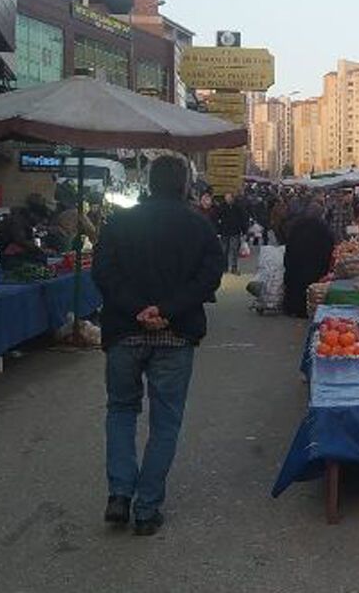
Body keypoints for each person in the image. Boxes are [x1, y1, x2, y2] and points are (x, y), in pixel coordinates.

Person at [91, 156, 225, 536]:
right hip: (175, 334)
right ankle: (146, 509)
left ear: (149, 182)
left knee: (120, 411)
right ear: (185, 185)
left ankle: (119, 494)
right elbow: (209, 277)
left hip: (124, 332)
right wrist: (166, 309)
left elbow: (103, 271)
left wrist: (137, 309)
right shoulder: (198, 225)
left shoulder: (120, 221)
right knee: (165, 421)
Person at [282, 203, 336, 317]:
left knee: (295, 284)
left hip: (296, 261)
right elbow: (329, 244)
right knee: (310, 287)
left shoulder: (297, 225)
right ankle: (305, 310)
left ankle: (292, 308)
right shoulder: (322, 227)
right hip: (315, 263)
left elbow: (289, 243)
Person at [0, 193, 53, 263]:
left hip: (6, 244)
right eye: (39, 220)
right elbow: (20, 240)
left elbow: (29, 238)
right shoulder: (18, 220)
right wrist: (39, 249)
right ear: (33, 214)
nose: (38, 223)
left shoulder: (27, 221)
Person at [216, 192, 250, 275]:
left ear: (232, 198)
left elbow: (243, 219)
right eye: (226, 198)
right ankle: (224, 268)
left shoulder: (238, 208)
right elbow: (217, 219)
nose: (228, 200)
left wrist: (244, 231)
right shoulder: (222, 207)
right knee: (224, 251)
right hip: (224, 232)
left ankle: (234, 268)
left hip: (235, 232)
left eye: (229, 198)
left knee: (234, 250)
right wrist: (218, 230)